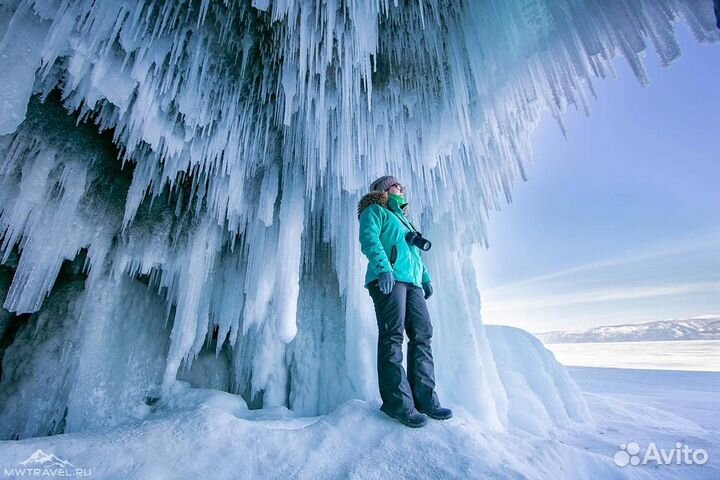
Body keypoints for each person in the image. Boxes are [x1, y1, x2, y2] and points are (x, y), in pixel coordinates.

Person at [357, 175, 453, 428]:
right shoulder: (374, 210)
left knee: (422, 335)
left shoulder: (406, 221)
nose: (400, 186)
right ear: (383, 189)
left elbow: (415, 256)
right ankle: (397, 404)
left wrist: (426, 278)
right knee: (392, 336)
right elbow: (369, 239)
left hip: (412, 283)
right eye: (395, 184)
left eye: (401, 185)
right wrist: (383, 268)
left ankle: (425, 399)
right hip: (388, 279)